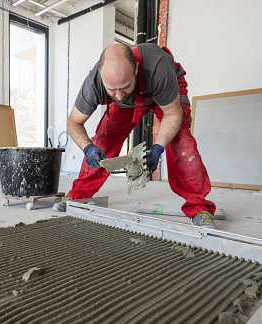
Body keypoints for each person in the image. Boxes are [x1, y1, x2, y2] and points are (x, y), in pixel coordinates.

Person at [53, 43, 217, 228]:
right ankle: (78, 195)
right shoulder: (94, 83)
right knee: (103, 141)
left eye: (125, 86)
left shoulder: (158, 68)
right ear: (101, 77)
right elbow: (74, 122)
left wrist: (158, 148)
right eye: (111, 90)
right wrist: (87, 148)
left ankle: (198, 207)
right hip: (135, 97)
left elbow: (173, 114)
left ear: (136, 69)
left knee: (182, 144)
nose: (119, 96)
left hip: (164, 91)